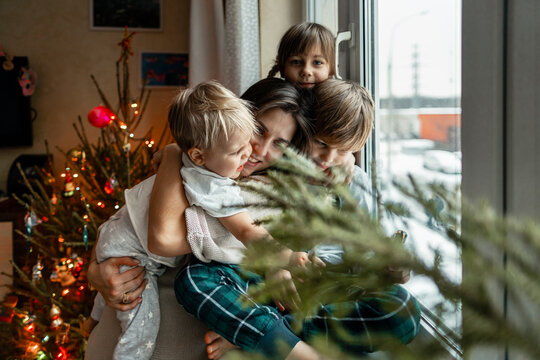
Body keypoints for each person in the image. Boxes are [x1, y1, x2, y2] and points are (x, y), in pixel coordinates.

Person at [158, 80, 420, 359]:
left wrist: (392, 267)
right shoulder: (257, 171)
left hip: (322, 287)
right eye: (321, 143)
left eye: (343, 150)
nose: (328, 158)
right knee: (194, 278)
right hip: (266, 280)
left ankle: (263, 334)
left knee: (402, 310)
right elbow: (218, 235)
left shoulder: (352, 183)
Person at [85, 78, 314, 359]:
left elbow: (161, 239)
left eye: (279, 144)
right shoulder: (209, 170)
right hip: (128, 327)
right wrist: (94, 273)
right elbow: (136, 229)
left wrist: (171, 154)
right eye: (258, 131)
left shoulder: (256, 194)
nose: (259, 150)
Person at [268, 22, 335, 89]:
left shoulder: (338, 98)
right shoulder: (274, 98)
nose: (306, 71)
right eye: (296, 62)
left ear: (331, 70)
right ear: (282, 67)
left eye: (317, 62)